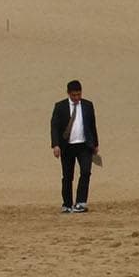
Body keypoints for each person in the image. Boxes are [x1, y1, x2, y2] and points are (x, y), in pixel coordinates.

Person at [50, 81, 99, 212]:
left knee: (85, 172)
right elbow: (54, 127)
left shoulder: (88, 105)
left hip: (84, 146)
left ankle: (81, 202)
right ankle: (67, 204)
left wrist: (95, 144)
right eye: (74, 95)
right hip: (67, 146)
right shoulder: (60, 107)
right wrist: (55, 145)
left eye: (79, 94)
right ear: (68, 93)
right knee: (67, 176)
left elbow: (92, 125)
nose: (77, 98)